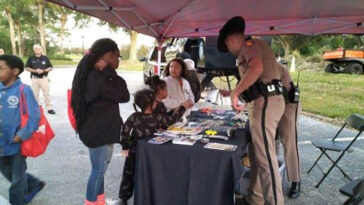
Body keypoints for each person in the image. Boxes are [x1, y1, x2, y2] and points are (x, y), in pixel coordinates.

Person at [218, 16, 285, 205]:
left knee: (265, 159)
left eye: (228, 47)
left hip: (265, 105)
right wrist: (233, 92)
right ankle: (256, 198)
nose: (231, 52)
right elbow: (260, 79)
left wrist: (236, 93)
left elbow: (257, 68)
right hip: (265, 101)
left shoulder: (249, 45)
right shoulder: (256, 45)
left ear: (230, 40)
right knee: (257, 155)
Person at [71, 38, 130, 205]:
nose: (118, 60)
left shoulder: (92, 74)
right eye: (117, 56)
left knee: (99, 171)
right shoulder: (99, 78)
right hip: (100, 133)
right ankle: (91, 202)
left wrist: (107, 70)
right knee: (98, 172)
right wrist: (111, 71)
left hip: (94, 130)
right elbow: (123, 95)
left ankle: (101, 201)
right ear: (108, 55)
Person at [118, 89, 188, 205]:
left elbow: (124, 131)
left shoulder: (134, 117)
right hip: (150, 154)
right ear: (151, 104)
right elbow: (171, 120)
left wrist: (125, 146)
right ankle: (147, 196)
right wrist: (182, 108)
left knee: (128, 174)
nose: (157, 103)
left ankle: (124, 198)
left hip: (134, 152)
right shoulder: (158, 117)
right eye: (155, 102)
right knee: (148, 174)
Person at [0, 55, 45, 205]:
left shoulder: (23, 90)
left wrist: (22, 135)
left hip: (17, 142)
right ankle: (33, 183)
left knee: (17, 181)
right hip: (1, 141)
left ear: (15, 71)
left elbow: (35, 116)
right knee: (5, 170)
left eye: (1, 68)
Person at [276, 63, 301, 199]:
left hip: (288, 104)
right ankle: (272, 174)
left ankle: (295, 181)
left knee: (289, 142)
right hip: (271, 105)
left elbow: (282, 90)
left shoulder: (276, 67)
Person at [25, 44, 55, 114]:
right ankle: (36, 108)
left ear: (41, 49)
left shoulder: (45, 58)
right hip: (34, 79)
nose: (37, 50)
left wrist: (44, 71)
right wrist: (35, 71)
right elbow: (27, 68)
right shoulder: (31, 58)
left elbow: (50, 67)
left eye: (39, 48)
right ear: (34, 50)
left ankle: (49, 108)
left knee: (46, 94)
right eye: (36, 49)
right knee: (35, 94)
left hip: (44, 78)